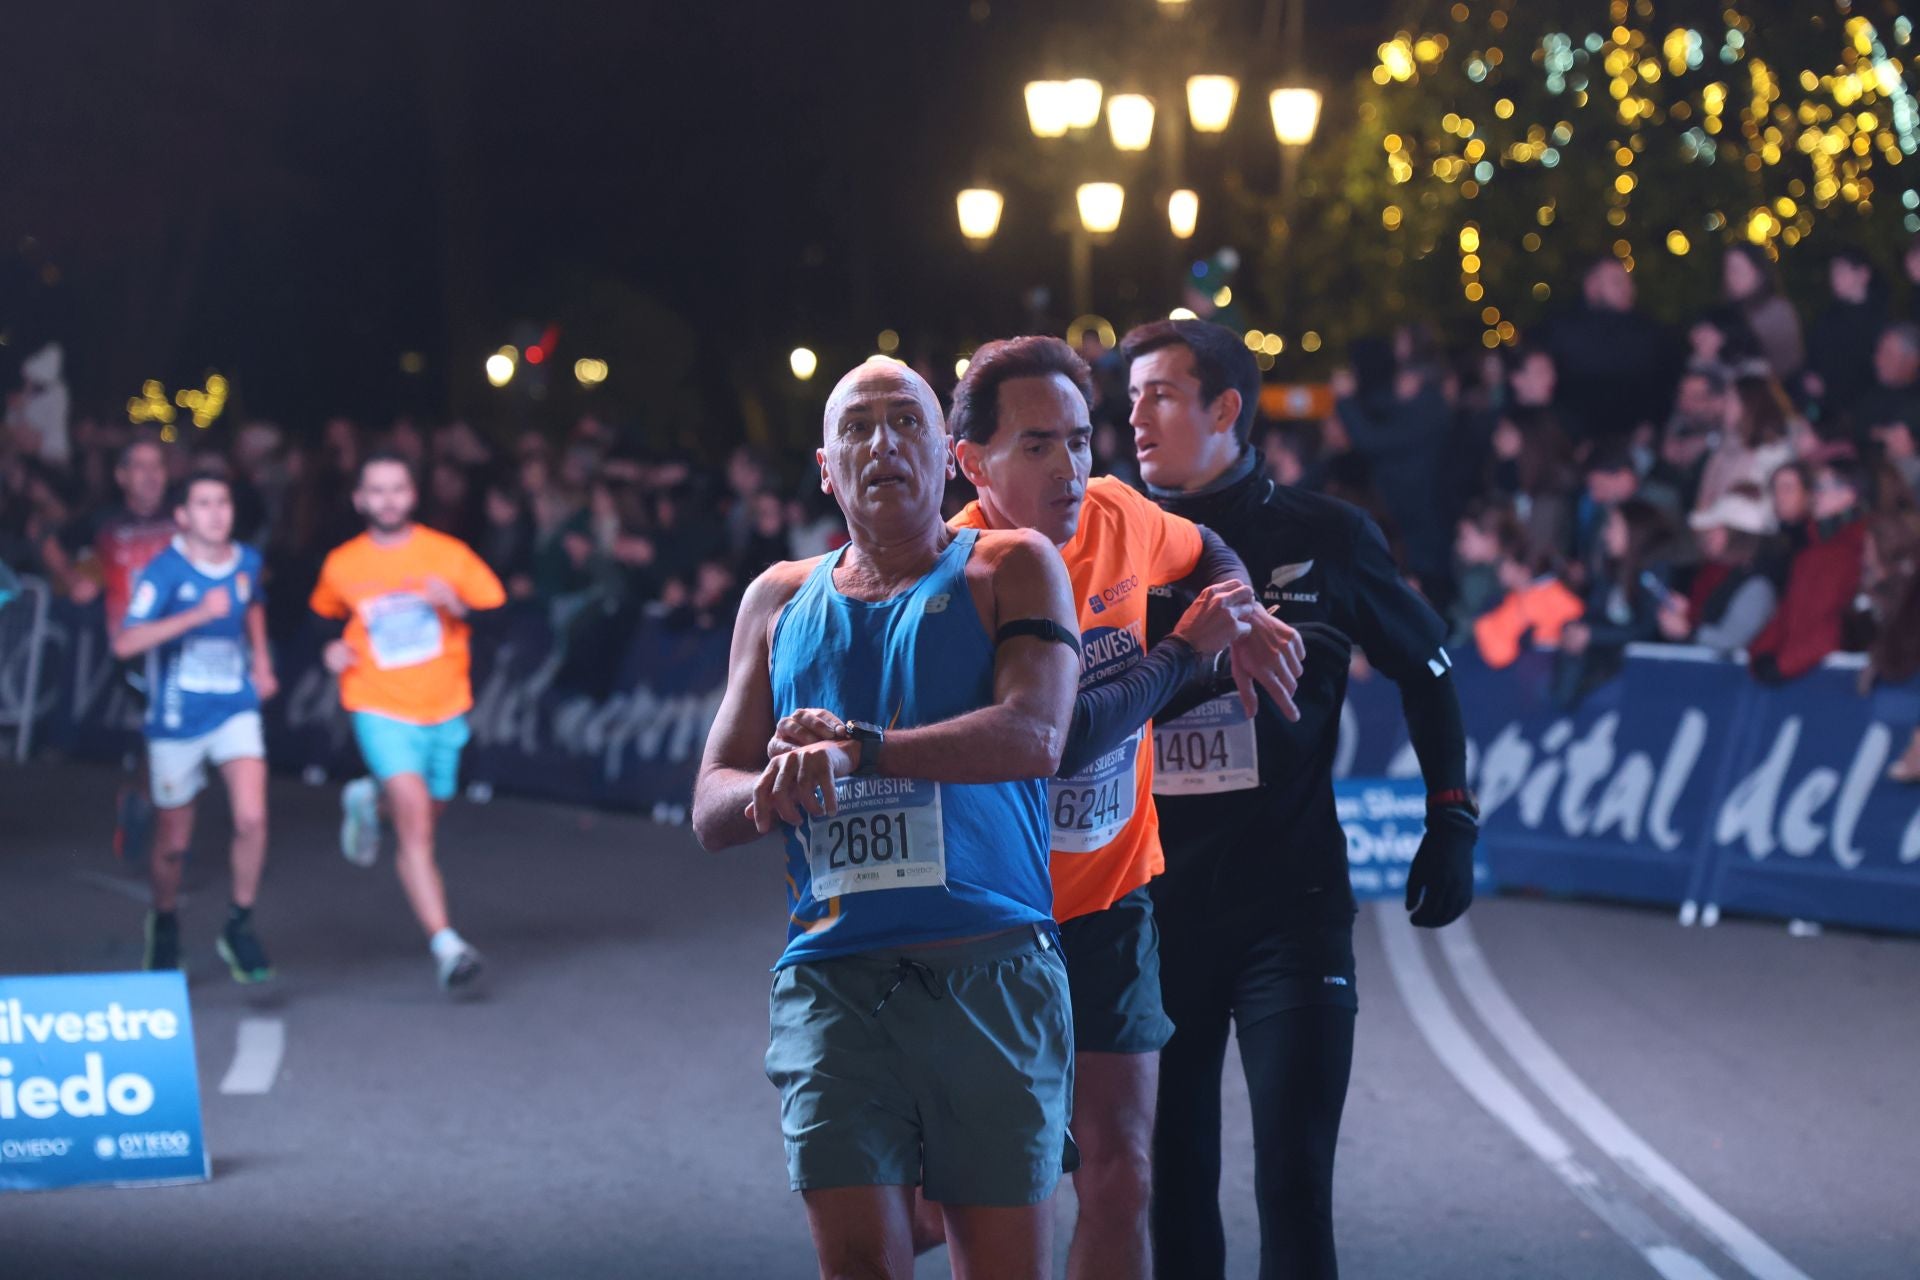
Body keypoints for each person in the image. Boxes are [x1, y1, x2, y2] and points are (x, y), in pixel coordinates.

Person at [691, 359, 1080, 1280]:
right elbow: (711, 804)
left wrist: (859, 750)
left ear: (947, 456)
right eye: (856, 429)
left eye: (906, 422)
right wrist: (772, 788)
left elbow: (1036, 735)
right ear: (827, 469)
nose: (882, 444)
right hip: (832, 984)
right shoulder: (778, 600)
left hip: (989, 970)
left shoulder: (1012, 565)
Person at [1121, 319, 1479, 1280]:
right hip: (1155, 914)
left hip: (1293, 909)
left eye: (1159, 393)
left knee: (1293, 1185)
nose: (1135, 416)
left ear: (1226, 408)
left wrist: (1451, 815)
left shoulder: (1325, 534)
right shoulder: (1105, 545)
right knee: (1177, 1186)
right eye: (1130, 397)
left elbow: (1430, 667)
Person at [945, 336, 1302, 1280]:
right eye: (1037, 445)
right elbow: (1054, 736)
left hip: (1111, 899)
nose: (1070, 467)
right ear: (971, 462)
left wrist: (1238, 607)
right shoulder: (961, 576)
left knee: (1121, 1174)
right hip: (991, 919)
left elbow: (1204, 545)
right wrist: (1187, 652)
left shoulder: (1119, 514)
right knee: (971, 1198)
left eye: (1078, 439)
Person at [309, 451, 505, 992]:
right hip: (377, 703)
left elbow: (501, 614)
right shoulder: (342, 564)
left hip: (444, 707)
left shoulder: (448, 554)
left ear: (412, 496)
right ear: (360, 500)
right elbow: (317, 618)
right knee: (415, 821)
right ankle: (447, 945)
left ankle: (368, 800)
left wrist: (459, 607)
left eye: (398, 488)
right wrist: (327, 650)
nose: (388, 499)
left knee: (428, 810)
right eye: (377, 489)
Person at [111, 471, 278, 980]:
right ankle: (163, 923)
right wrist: (194, 616)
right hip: (177, 716)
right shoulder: (163, 573)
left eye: (223, 502)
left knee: (251, 816)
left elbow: (251, 607)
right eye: (203, 504)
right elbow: (125, 644)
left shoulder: (247, 561)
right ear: (182, 516)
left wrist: (263, 662)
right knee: (174, 840)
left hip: (233, 705)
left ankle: (240, 925)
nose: (216, 513)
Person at [39, 437, 177, 866]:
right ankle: (170, 840)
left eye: (157, 466)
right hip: (132, 648)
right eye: (140, 466)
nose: (151, 474)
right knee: (166, 733)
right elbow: (49, 540)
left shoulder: (185, 517)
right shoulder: (104, 522)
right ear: (122, 477)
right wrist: (72, 578)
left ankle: (140, 798)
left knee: (170, 743)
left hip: (183, 644)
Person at [1748, 456, 1867, 684]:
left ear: (1849, 494)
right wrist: (1761, 653)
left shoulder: (1856, 550)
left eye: (1822, 487)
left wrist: (1784, 665)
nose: (1815, 495)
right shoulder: (1812, 548)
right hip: (1797, 673)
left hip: (1830, 681)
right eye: (1815, 487)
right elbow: (1788, 612)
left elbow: (1837, 626)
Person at [1659, 485, 1782, 656]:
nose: (1707, 537)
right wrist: (1685, 613)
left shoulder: (1757, 582)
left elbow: (1732, 640)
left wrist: (1688, 631)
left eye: (1716, 530)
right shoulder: (1712, 572)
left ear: (1736, 535)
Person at [1722, 244, 1805, 382]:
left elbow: (1788, 364)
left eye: (1738, 269)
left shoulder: (1778, 311)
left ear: (1758, 272)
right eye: (1728, 269)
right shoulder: (1726, 314)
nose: (1732, 276)